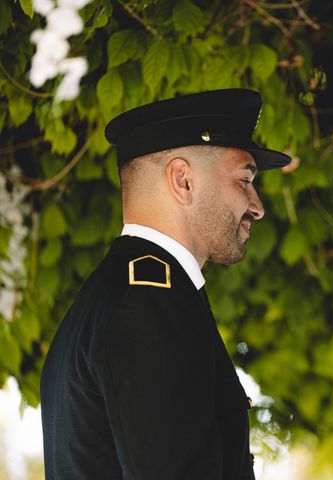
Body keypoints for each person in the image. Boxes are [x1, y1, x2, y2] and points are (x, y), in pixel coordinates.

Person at [40, 89, 291, 479]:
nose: (257, 205)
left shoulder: (126, 293)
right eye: (245, 179)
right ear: (183, 180)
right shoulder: (146, 304)